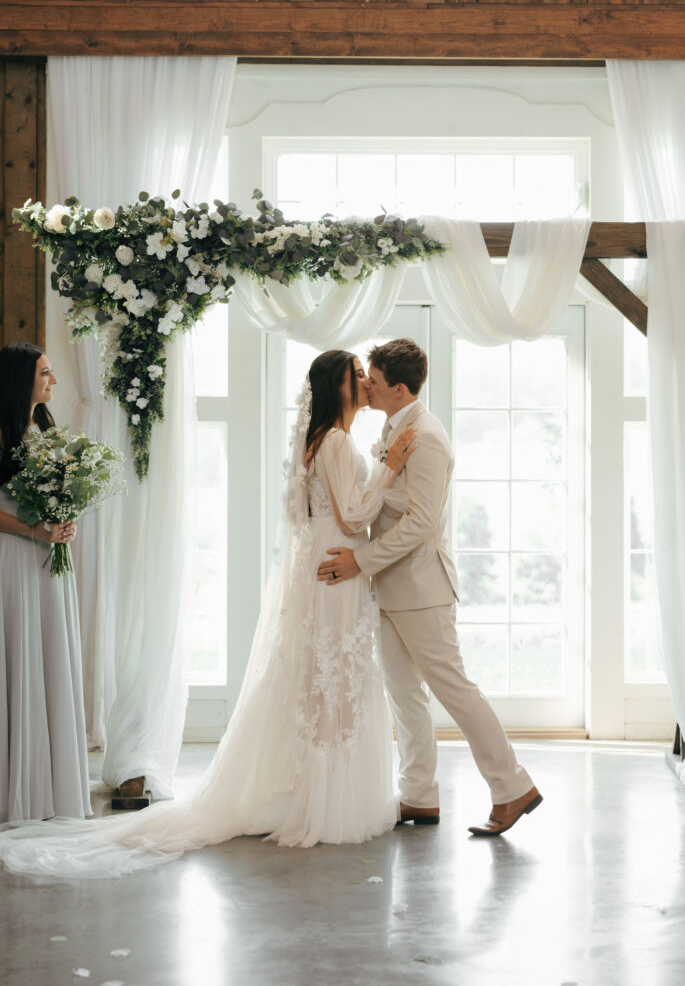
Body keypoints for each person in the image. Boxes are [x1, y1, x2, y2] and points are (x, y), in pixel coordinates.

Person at [0, 349, 415, 877]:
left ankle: (318, 789)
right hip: (337, 565)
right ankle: (320, 799)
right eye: (357, 374)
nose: (366, 380)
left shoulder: (334, 440)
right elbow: (354, 513)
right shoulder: (334, 441)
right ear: (337, 386)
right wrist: (388, 470)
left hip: (331, 563)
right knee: (329, 680)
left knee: (325, 680)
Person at [317, 338, 542, 837]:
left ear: (398, 389)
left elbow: (420, 522)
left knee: (455, 692)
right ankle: (418, 797)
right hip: (390, 589)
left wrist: (361, 562)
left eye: (372, 382)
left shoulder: (428, 437)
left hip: (421, 589)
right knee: (404, 696)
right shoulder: (393, 428)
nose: (365, 388)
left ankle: (512, 787)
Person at [0, 342, 91, 823]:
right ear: (21, 380)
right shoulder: (2, 431)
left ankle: (50, 787)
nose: (53, 382)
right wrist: (35, 529)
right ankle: (16, 785)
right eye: (46, 373)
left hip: (48, 556)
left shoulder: (45, 426)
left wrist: (64, 518)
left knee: (50, 653)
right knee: (19, 654)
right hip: (14, 556)